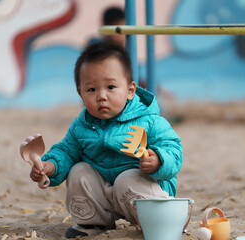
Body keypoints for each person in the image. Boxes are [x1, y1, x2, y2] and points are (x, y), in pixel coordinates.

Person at [29, 42, 183, 238]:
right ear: (81, 95)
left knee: (127, 178)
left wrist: (158, 160)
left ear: (130, 90)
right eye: (91, 90)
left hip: (142, 191)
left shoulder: (149, 121)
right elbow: (66, 151)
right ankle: (94, 222)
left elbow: (174, 150)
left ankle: (159, 221)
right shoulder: (81, 126)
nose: (101, 96)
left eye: (110, 87)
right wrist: (50, 166)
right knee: (79, 170)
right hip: (104, 193)